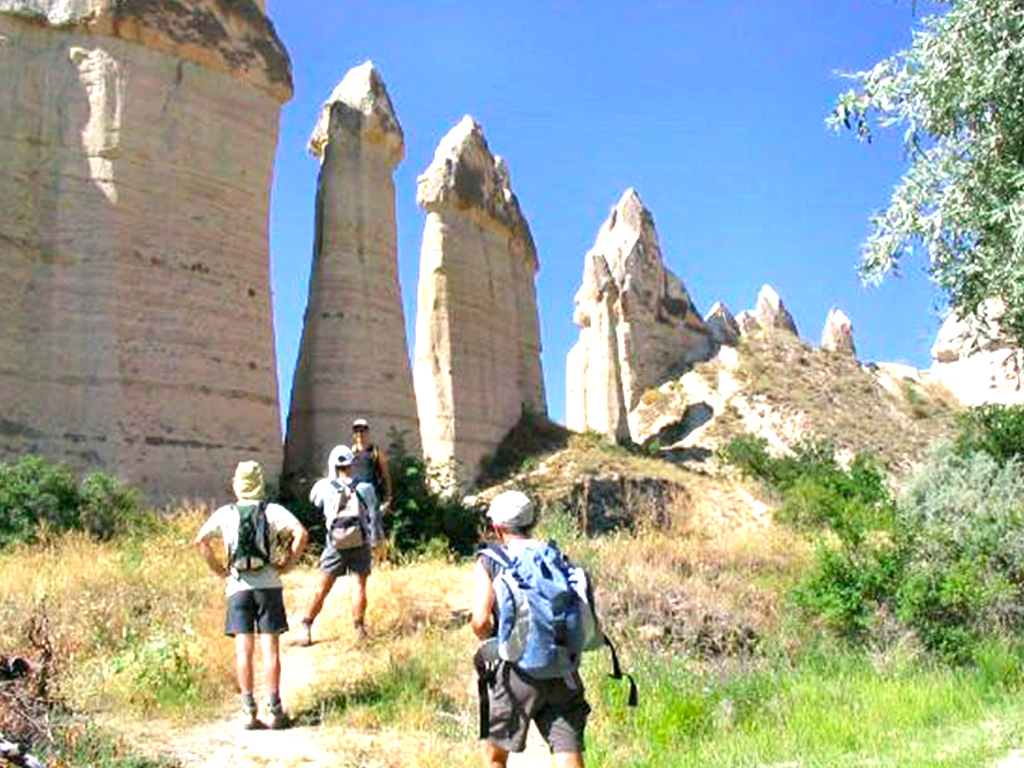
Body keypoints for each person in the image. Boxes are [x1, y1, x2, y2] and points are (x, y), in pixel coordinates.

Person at [470, 491, 591, 768]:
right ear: (531, 522)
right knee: (567, 754)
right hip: (563, 668)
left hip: (517, 671)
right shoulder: (557, 556)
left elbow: (479, 621)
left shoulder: (490, 560)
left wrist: (495, 643)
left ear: (498, 528)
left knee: (495, 757)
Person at [194, 460, 308, 730]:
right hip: (268, 585)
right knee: (271, 650)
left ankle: (248, 712)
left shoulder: (226, 513)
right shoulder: (272, 510)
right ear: (260, 483)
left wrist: (220, 570)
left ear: (237, 484)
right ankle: (275, 711)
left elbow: (200, 541)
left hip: (237, 588)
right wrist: (287, 565)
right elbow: (301, 534)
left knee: (243, 651)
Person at [297, 444, 373, 646]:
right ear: (352, 463)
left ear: (333, 464)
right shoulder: (365, 488)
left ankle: (306, 627)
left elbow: (314, 501)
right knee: (358, 586)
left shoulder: (324, 487)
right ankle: (359, 629)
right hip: (360, 543)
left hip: (334, 545)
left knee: (322, 587)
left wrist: (329, 478)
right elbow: (374, 516)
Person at [350, 418, 393, 549]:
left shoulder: (375, 451)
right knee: (356, 526)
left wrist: (388, 497)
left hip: (372, 496)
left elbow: (385, 475)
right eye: (357, 431)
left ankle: (379, 558)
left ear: (368, 432)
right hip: (355, 496)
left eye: (363, 430)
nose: (360, 434)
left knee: (375, 526)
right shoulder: (351, 452)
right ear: (354, 434)